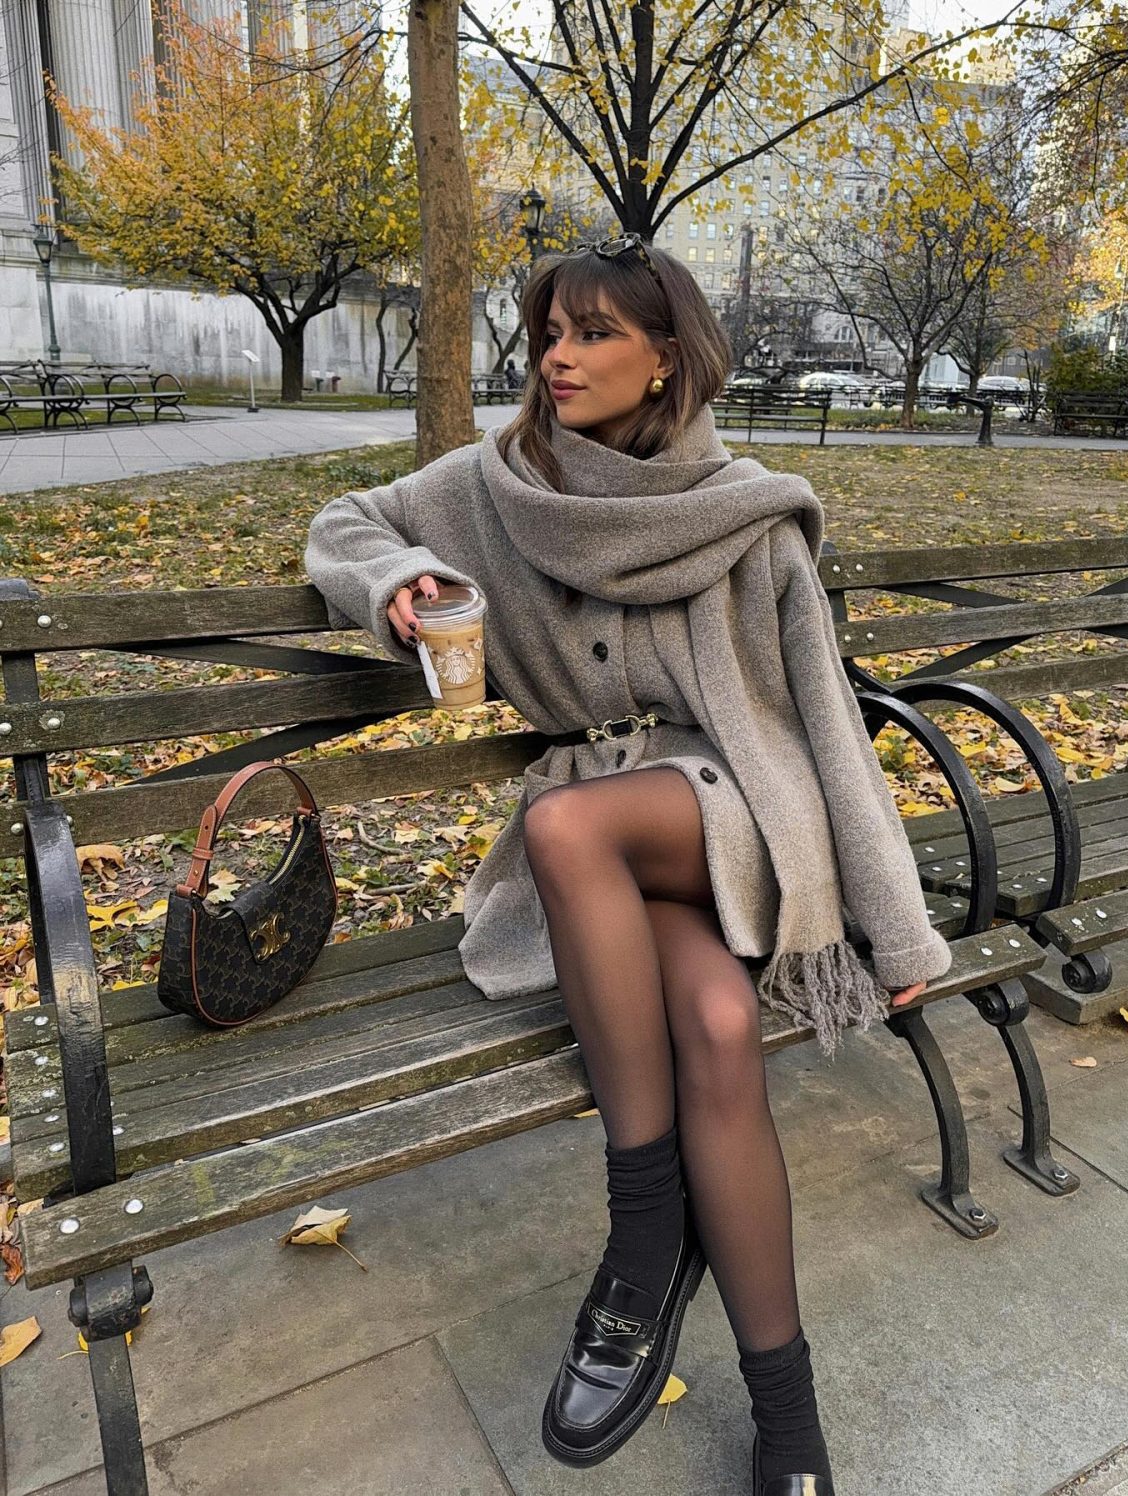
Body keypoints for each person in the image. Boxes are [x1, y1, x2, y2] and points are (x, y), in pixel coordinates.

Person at [304, 235, 952, 1496]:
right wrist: (397, 578)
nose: (558, 353)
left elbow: (828, 723)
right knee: (712, 1017)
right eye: (551, 330)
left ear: (668, 358)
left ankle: (642, 1233)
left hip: (738, 815)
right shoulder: (494, 486)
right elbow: (346, 518)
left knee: (565, 825)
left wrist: (899, 930)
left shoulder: (751, 516)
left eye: (595, 332)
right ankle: (792, 1424)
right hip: (606, 834)